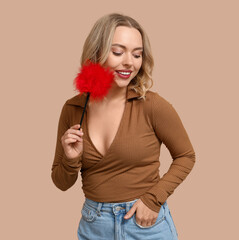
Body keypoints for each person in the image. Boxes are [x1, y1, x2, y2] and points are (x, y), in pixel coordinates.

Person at [51, 13, 196, 240]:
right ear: (97, 53)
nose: (130, 61)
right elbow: (61, 182)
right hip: (94, 226)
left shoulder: (152, 105)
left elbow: (186, 156)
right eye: (118, 52)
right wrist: (70, 159)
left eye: (137, 54)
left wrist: (154, 199)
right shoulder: (73, 109)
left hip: (146, 225)